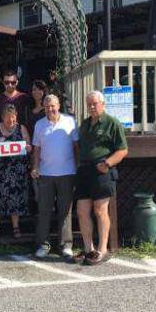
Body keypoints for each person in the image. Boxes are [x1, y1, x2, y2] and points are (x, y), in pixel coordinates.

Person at [74, 90, 128, 265]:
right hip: (84, 170)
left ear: (103, 104)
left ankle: (102, 249)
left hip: (102, 170)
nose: (91, 106)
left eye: (95, 103)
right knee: (82, 210)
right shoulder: (84, 124)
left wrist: (108, 163)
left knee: (100, 210)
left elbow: (122, 150)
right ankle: (88, 248)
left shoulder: (112, 123)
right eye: (89, 103)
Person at [31, 94, 79, 260]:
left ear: (59, 105)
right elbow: (36, 149)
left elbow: (76, 146)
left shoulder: (70, 121)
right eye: (47, 106)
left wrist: (78, 166)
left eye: (53, 105)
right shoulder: (39, 124)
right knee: (44, 211)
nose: (50, 109)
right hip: (45, 173)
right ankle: (43, 245)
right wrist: (35, 167)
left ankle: (65, 245)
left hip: (67, 172)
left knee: (65, 211)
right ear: (43, 107)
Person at [0, 104, 32, 240]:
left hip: (17, 172)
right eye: (7, 119)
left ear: (16, 117)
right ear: (2, 118)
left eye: (13, 118)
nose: (10, 121)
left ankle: (16, 227)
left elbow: (28, 145)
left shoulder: (21, 128)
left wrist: (28, 147)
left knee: (16, 200)